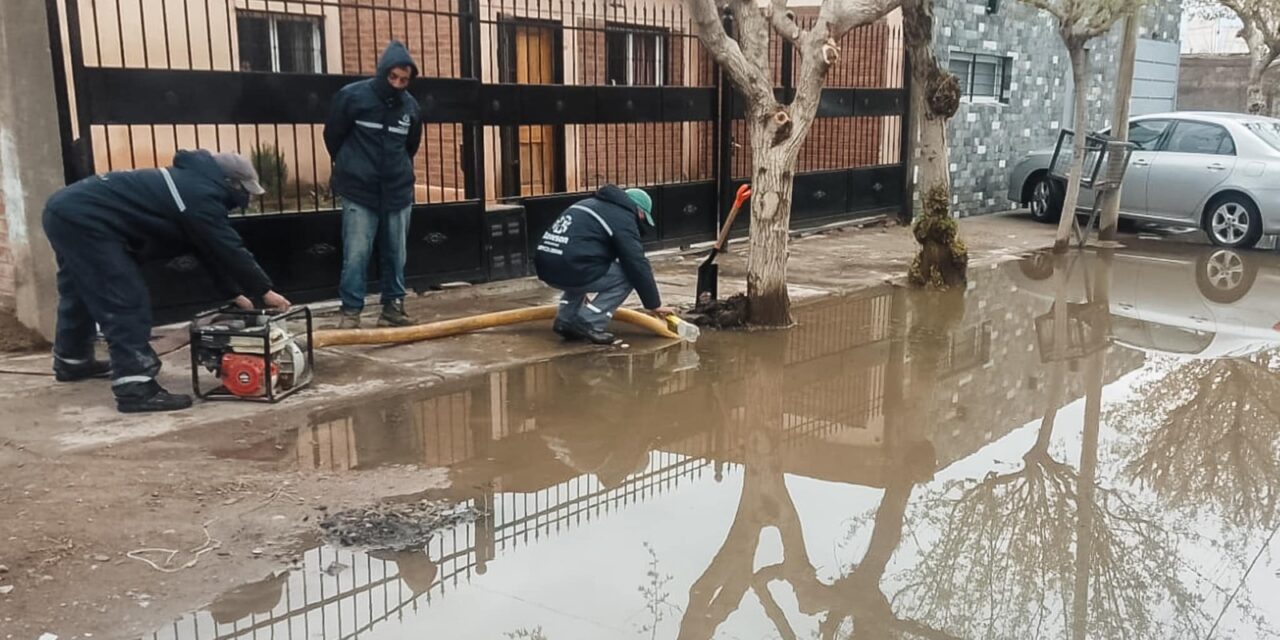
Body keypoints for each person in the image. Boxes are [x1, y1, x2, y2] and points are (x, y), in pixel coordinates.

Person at [42, 150, 291, 413]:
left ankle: (72, 360)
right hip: (88, 221)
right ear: (231, 183)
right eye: (245, 190)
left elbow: (207, 250)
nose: (245, 199)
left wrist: (234, 295)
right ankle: (135, 388)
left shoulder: (191, 185)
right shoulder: (199, 195)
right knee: (124, 297)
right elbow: (228, 248)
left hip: (66, 211)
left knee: (79, 292)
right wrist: (264, 291)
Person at [324, 40, 423, 329]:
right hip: (359, 190)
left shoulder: (411, 108)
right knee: (356, 251)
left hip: (397, 190)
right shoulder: (352, 97)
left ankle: (393, 306)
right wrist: (352, 167)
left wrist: (397, 171)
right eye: (393, 77)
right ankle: (351, 310)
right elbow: (333, 136)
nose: (397, 84)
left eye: (404, 80)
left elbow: (410, 145)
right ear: (382, 73)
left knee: (397, 251)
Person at [533, 184, 675, 345]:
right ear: (639, 210)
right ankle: (589, 322)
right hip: (573, 267)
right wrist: (654, 304)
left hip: (546, 267)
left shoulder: (588, 204)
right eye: (643, 217)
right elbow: (637, 264)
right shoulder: (621, 216)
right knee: (627, 277)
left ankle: (565, 321)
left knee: (584, 269)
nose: (641, 221)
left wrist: (581, 286)